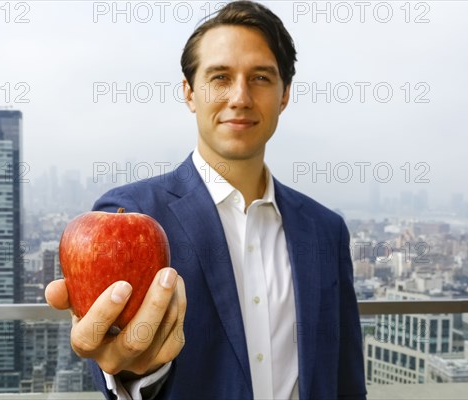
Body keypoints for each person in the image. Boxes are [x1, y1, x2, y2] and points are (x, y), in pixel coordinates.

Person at [45, 1, 367, 399]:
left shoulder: (325, 229)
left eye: (262, 78)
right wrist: (132, 369)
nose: (240, 97)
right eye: (220, 77)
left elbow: (347, 377)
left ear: (284, 95)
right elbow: (116, 354)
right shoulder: (131, 215)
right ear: (189, 93)